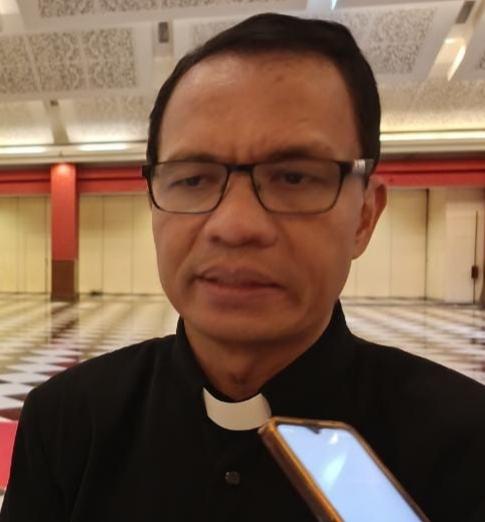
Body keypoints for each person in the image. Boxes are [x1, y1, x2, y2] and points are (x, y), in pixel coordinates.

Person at [2, 13, 485, 522]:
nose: (235, 226)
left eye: (294, 177)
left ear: (365, 216)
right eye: (193, 179)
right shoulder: (67, 421)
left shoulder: (465, 444)